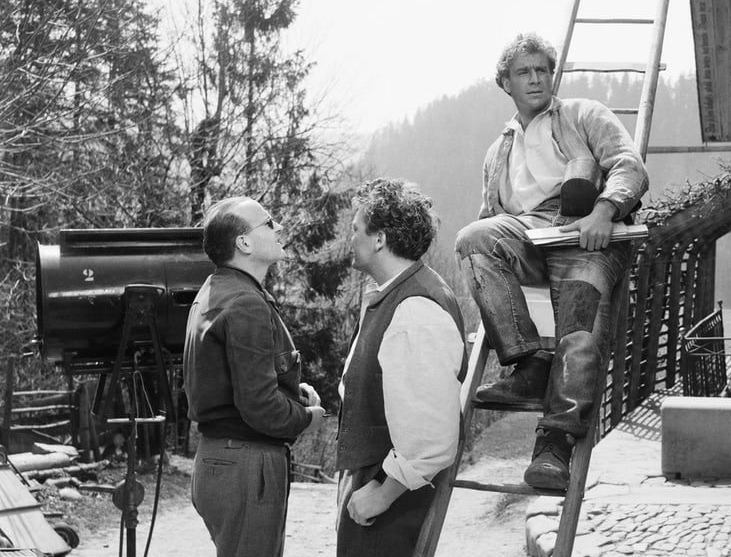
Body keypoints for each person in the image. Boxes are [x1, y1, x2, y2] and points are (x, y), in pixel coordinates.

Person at [454, 32, 648, 491]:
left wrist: (604, 210)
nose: (536, 78)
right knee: (473, 240)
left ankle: (553, 446)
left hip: (586, 236)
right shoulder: (499, 148)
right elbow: (491, 220)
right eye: (524, 72)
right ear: (506, 82)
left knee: (579, 333)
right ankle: (529, 363)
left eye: (543, 69)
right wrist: (493, 290)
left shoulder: (582, 114)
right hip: (528, 232)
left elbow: (629, 166)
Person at [183, 196, 325, 557]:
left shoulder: (216, 290)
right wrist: (307, 418)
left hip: (222, 460)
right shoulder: (245, 301)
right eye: (269, 223)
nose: (278, 228)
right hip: (246, 464)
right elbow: (259, 405)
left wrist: (291, 389)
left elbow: (234, 379)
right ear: (243, 243)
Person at [337, 178, 467, 557]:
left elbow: (430, 434)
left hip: (388, 504)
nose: (352, 238)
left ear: (379, 239)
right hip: (372, 488)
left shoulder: (415, 309)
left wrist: (382, 493)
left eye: (356, 229)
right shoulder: (396, 295)